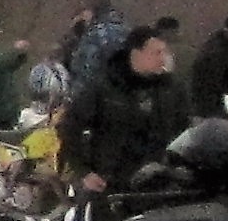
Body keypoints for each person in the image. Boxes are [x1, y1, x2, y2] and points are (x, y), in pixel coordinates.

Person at [61, 23, 190, 202]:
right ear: (136, 53)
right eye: (157, 53)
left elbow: (185, 132)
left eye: (164, 52)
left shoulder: (173, 90)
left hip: (161, 185)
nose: (163, 59)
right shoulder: (104, 88)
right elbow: (69, 128)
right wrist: (84, 172)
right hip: (112, 186)